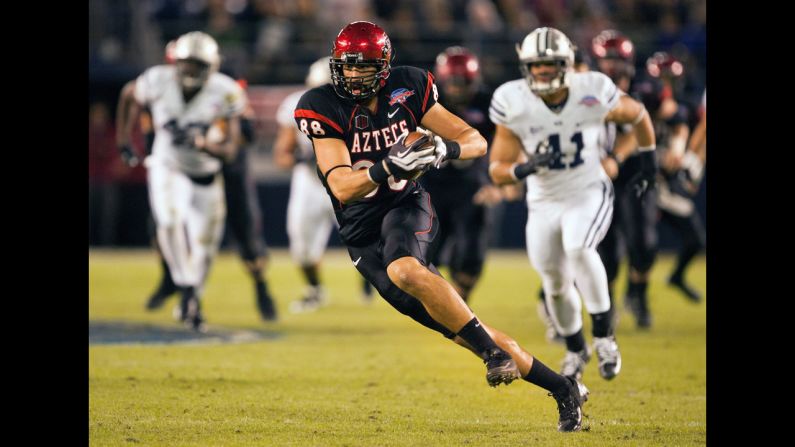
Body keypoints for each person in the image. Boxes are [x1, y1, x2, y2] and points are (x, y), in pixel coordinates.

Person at [294, 21, 588, 432]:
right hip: (360, 235)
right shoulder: (320, 104)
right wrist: (388, 166)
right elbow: (342, 186)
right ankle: (562, 387)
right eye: (348, 66)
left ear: (384, 65)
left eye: (365, 67)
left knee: (405, 268)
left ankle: (494, 356)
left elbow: (476, 140)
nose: (355, 75)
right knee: (468, 332)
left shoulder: (410, 85)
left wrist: (445, 149)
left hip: (406, 205)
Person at [488, 27, 657, 381]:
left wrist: (647, 160)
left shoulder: (591, 89)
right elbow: (498, 170)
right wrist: (526, 167)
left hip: (588, 190)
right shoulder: (513, 100)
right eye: (536, 65)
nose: (543, 71)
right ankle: (576, 349)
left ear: (567, 64)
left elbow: (638, 114)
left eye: (550, 64)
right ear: (525, 66)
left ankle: (605, 338)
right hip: (543, 200)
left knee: (579, 247)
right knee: (554, 281)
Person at [133, 42, 278, 323]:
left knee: (245, 233)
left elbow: (244, 134)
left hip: (226, 166)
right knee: (162, 224)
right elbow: (147, 115)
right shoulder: (164, 85)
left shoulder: (223, 88)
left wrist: (212, 138)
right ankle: (172, 281)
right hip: (183, 163)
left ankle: (261, 287)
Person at [116, 31, 247, 331]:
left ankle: (191, 299)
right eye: (186, 63)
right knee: (169, 219)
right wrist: (124, 139)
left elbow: (230, 150)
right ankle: (186, 287)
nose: (190, 70)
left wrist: (203, 143)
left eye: (197, 64)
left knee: (205, 248)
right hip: (167, 164)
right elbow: (128, 95)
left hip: (205, 173)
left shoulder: (225, 91)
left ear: (211, 66)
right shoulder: (157, 80)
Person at [275, 56, 373, 313]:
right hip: (310, 183)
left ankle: (372, 282)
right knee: (302, 248)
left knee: (367, 239)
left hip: (349, 179)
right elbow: (282, 154)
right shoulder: (296, 106)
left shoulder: (360, 109)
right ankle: (315, 289)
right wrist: (300, 157)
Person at [589, 30, 660, 330]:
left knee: (644, 243)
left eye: (617, 59)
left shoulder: (646, 89)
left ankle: (638, 294)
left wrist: (617, 158)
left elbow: (648, 123)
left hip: (635, 173)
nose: (612, 66)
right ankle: (609, 305)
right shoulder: (586, 90)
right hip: (598, 176)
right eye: (607, 59)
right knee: (606, 249)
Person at [420, 46, 501, 303]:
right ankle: (443, 305)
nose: (456, 89)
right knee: (424, 252)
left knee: (471, 254)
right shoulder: (426, 103)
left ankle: (459, 306)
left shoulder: (488, 104)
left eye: (462, 83)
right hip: (431, 184)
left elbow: (501, 145)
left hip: (472, 186)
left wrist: (494, 182)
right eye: (452, 83)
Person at [641, 53, 705, 306]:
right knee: (640, 245)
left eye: (672, 79)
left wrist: (692, 162)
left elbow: (700, 132)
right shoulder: (639, 105)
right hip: (641, 182)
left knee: (695, 240)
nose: (667, 84)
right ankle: (636, 297)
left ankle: (676, 276)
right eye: (663, 79)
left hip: (667, 184)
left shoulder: (686, 108)